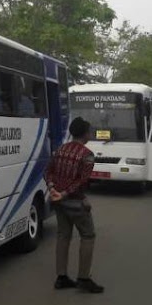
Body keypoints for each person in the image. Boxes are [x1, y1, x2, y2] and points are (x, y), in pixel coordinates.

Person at [44, 117, 104, 294]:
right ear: (85, 133)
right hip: (75, 202)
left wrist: (53, 189)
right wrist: (65, 193)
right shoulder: (87, 154)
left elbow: (48, 171)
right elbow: (82, 181)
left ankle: (61, 277)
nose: (90, 133)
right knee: (88, 235)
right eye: (90, 131)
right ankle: (83, 278)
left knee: (63, 236)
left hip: (58, 202)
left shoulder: (60, 149)